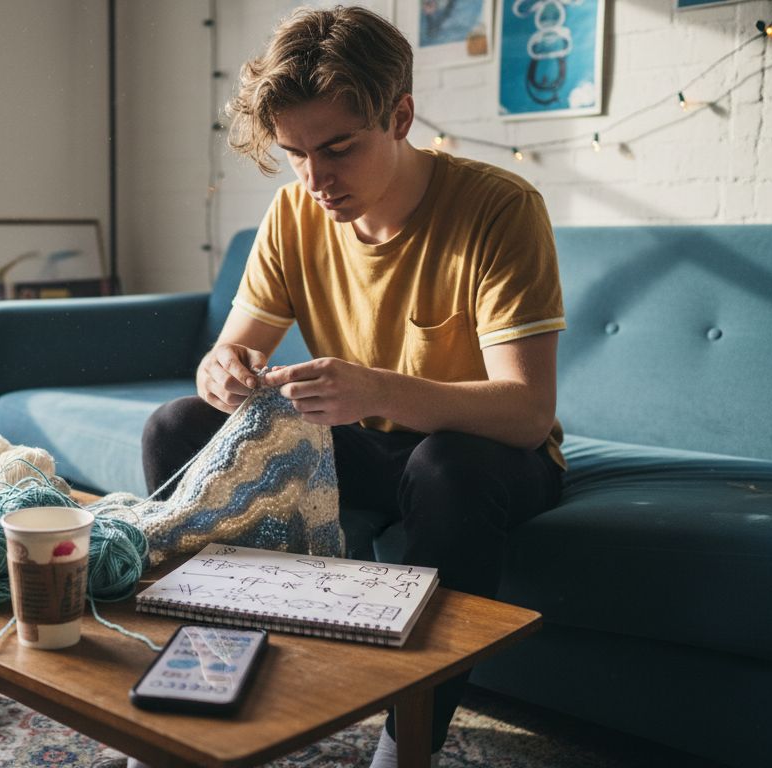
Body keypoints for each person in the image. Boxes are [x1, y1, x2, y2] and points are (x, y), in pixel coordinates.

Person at [140, 6, 567, 766]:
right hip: (366, 445)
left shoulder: (501, 209)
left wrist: (376, 391)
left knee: (446, 467)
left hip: (487, 456)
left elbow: (528, 412)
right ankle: (207, 680)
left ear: (400, 115)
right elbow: (231, 348)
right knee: (176, 426)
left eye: (338, 148)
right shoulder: (295, 210)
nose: (315, 179)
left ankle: (405, 747)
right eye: (295, 153)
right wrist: (222, 372)